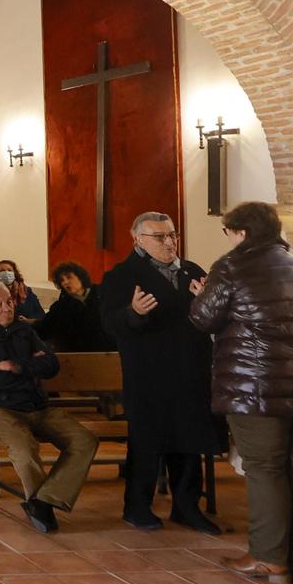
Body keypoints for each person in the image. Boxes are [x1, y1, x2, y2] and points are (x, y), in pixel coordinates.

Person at [190, 202, 293, 584]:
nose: (228, 239)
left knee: (265, 468)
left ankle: (267, 558)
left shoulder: (232, 266)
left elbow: (203, 318)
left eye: (228, 231)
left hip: (257, 384)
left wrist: (201, 295)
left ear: (241, 232)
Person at [98, 212, 226, 535]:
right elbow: (109, 325)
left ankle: (186, 507)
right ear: (137, 239)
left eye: (172, 235)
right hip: (149, 375)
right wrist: (133, 313)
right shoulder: (122, 276)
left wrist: (206, 301)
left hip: (191, 371)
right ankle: (137, 507)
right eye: (160, 237)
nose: (169, 242)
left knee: (188, 439)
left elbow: (212, 318)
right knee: (147, 442)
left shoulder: (192, 272)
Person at [0, 280, 97, 534]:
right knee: (23, 443)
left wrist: (16, 366)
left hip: (37, 405)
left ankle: (43, 502)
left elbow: (52, 365)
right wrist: (31, 364)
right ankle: (41, 503)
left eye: (9, 301)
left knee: (84, 440)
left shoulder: (24, 330)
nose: (6, 308)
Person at [41, 262, 112, 353]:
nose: (65, 282)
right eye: (62, 280)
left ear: (80, 277)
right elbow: (45, 327)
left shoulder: (104, 295)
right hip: (77, 356)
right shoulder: (60, 307)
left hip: (110, 352)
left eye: (69, 277)